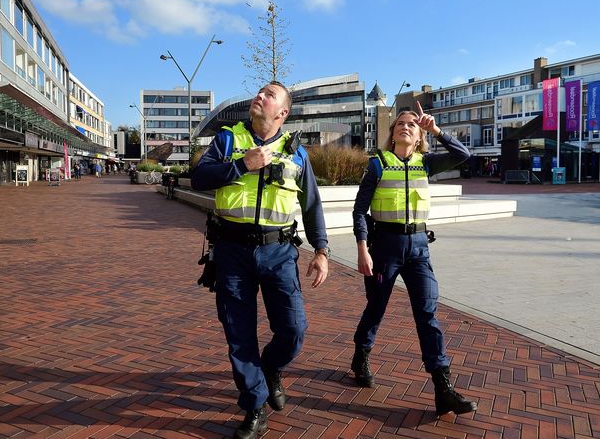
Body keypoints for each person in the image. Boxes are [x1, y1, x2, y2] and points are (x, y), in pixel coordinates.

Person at [192, 81, 329, 439]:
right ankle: (255, 405)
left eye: (269, 95)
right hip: (232, 251)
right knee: (239, 335)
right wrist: (241, 164)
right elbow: (199, 177)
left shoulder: (296, 152)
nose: (260, 96)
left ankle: (270, 369)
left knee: (294, 329)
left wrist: (321, 250)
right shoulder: (227, 140)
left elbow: (312, 204)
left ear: (282, 113)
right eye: (260, 92)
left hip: (279, 253)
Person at [350, 101, 478, 416]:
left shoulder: (426, 163)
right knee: (376, 307)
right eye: (400, 124)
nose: (406, 127)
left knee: (427, 314)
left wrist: (435, 129)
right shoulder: (378, 163)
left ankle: (442, 388)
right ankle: (361, 354)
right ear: (392, 134)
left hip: (419, 247)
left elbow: (464, 155)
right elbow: (359, 210)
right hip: (384, 247)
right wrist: (362, 248)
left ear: (418, 135)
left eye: (412, 124)